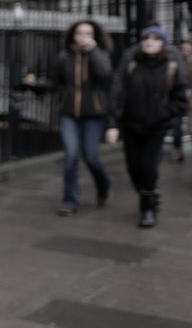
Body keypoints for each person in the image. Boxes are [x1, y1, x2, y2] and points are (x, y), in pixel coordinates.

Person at [106, 25, 189, 227]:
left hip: (157, 126)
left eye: (155, 38)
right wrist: (113, 124)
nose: (149, 41)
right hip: (132, 123)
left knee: (148, 166)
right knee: (133, 168)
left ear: (162, 43)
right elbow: (118, 93)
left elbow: (180, 100)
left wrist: (164, 114)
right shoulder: (132, 63)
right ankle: (148, 193)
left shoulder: (171, 65)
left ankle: (148, 207)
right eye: (146, 38)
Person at [34, 20, 114, 216]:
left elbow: (106, 74)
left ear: (94, 36)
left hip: (93, 114)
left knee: (92, 157)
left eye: (88, 33)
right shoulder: (64, 57)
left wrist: (93, 52)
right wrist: (35, 85)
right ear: (73, 35)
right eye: (80, 33)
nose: (83, 37)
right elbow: (54, 83)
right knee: (71, 156)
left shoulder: (100, 55)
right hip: (68, 113)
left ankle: (104, 185)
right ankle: (70, 201)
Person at [170, 37, 192, 162]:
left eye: (188, 47)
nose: (186, 49)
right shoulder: (176, 60)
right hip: (179, 96)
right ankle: (178, 150)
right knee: (176, 125)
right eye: (184, 47)